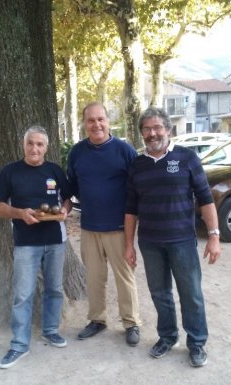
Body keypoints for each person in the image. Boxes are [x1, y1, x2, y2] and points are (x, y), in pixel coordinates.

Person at [124, 106, 221, 367]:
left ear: (168, 129)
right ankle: (167, 337)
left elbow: (205, 198)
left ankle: (197, 342)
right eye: (147, 129)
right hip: (150, 242)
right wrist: (128, 245)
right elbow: (131, 209)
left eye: (157, 127)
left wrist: (213, 235)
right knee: (160, 293)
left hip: (182, 241)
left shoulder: (187, 158)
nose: (152, 133)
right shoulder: (137, 165)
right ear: (142, 133)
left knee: (191, 293)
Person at [0, 125, 72, 369]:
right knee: (23, 294)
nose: (34, 148)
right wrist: (19, 213)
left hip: (55, 240)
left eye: (39, 144)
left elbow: (67, 198)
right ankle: (19, 344)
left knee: (55, 289)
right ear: (23, 145)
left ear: (46, 148)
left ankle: (50, 330)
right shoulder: (10, 172)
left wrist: (65, 209)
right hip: (26, 242)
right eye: (30, 143)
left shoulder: (54, 171)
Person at [67, 102, 141, 346]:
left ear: (108, 121)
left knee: (125, 278)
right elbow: (73, 187)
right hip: (89, 228)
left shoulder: (124, 151)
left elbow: (137, 188)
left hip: (120, 228)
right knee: (95, 278)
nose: (96, 124)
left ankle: (131, 323)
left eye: (101, 119)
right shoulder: (77, 153)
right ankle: (97, 319)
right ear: (84, 124)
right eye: (91, 120)